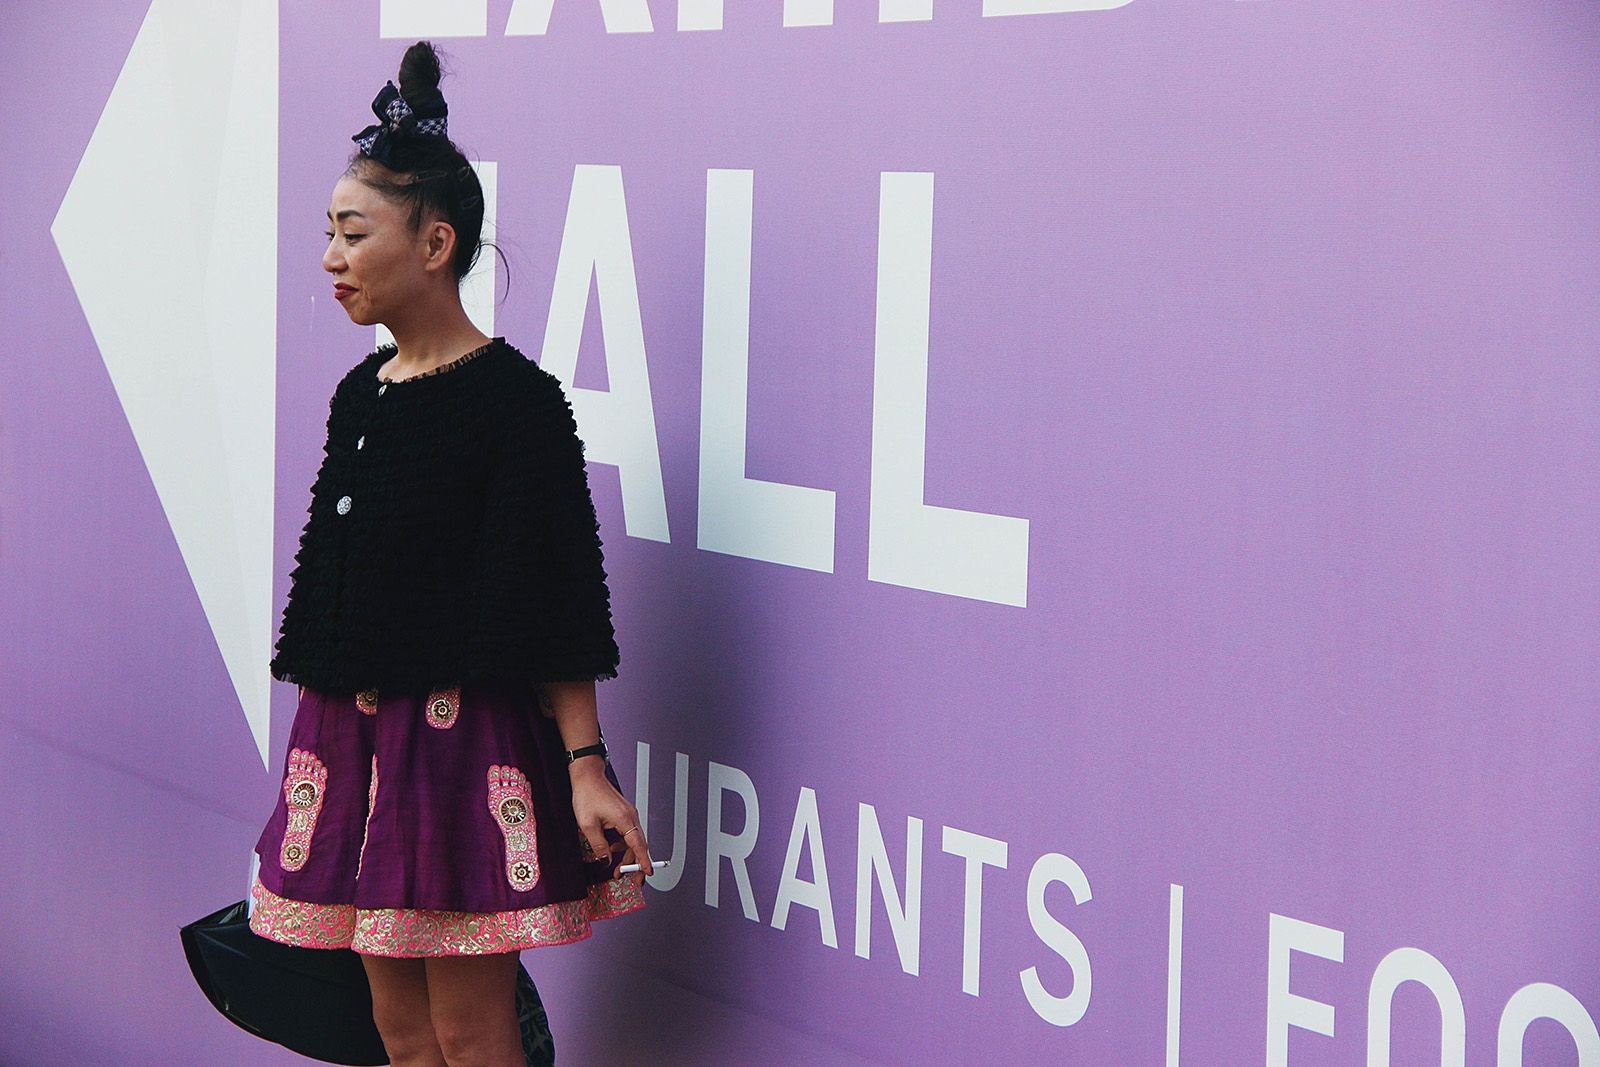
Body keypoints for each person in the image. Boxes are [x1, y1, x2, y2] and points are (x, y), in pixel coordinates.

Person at [248, 40, 653, 1067]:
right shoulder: (359, 394)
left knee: (471, 1032)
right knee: (399, 1032)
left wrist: (586, 765)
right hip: (351, 740)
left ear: (435, 244)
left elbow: (559, 596)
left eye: (353, 233)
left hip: (460, 742)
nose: (331, 257)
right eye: (329, 233)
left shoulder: (517, 403)